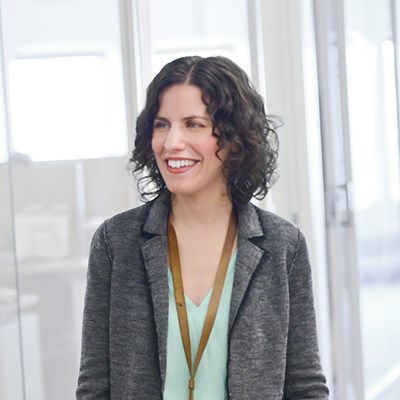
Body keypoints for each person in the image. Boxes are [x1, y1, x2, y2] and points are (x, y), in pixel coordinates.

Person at [76, 55, 329, 400]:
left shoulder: (283, 245)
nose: (171, 143)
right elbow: (95, 386)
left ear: (235, 138)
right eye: (161, 124)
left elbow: (305, 387)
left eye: (193, 124)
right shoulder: (115, 243)